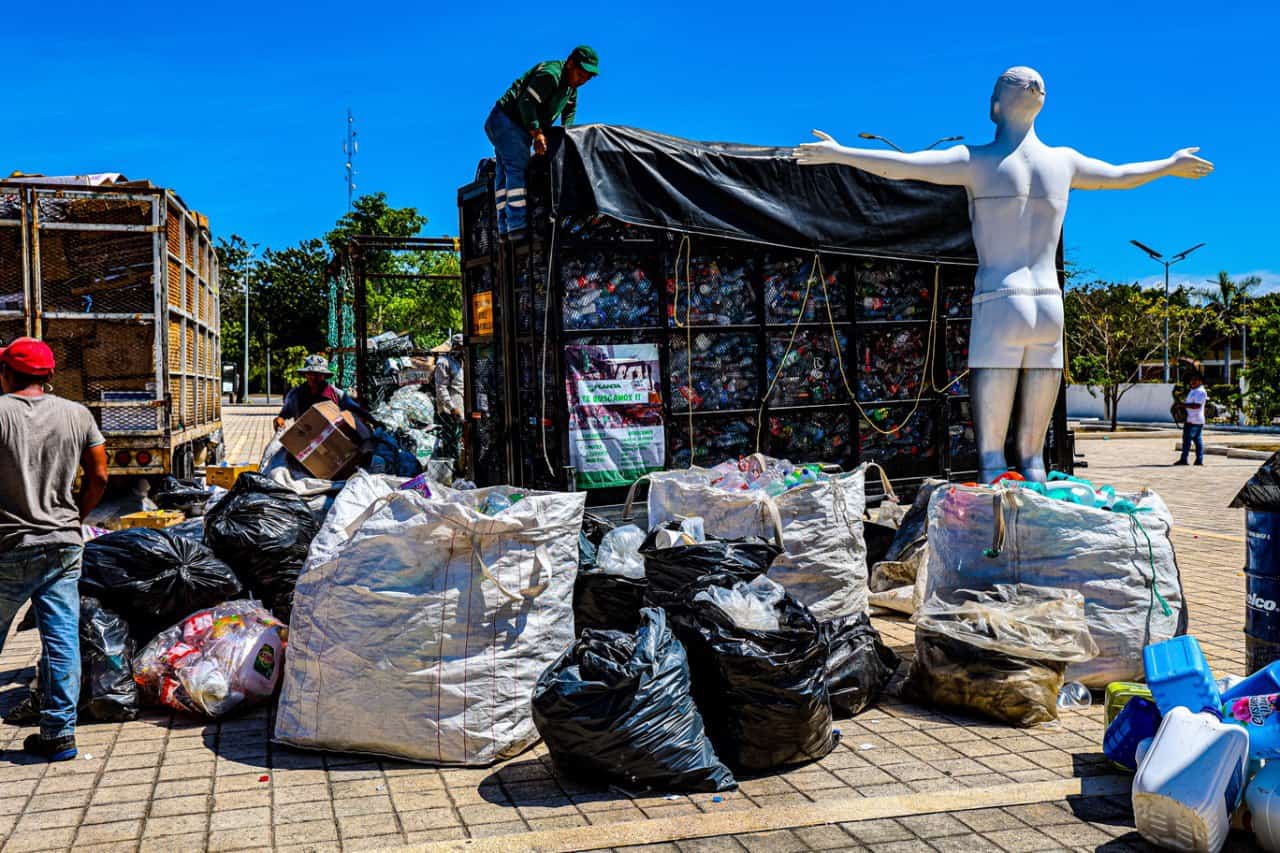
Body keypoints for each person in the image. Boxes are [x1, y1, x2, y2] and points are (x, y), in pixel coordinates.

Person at [795, 66, 1212, 483]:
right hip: (1049, 303)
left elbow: (903, 166)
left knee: (992, 461)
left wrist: (843, 153)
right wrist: (1169, 164)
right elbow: (1121, 176)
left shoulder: (976, 161)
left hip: (1001, 299)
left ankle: (994, 506)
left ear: (995, 107)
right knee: (1034, 462)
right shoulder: (1064, 162)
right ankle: (1035, 492)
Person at [0, 337, 108, 761]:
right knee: (62, 639)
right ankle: (59, 735)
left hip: (9, 545)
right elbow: (99, 474)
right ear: (48, 375)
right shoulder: (77, 414)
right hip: (64, 544)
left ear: (7, 372)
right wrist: (76, 517)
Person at [486, 45, 599, 237]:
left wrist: (567, 134)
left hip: (514, 127)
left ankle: (504, 227)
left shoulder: (571, 87)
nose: (582, 81)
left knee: (504, 172)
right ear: (570, 63)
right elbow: (527, 103)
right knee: (517, 167)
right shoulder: (551, 75)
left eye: (586, 79)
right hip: (506, 121)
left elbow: (569, 110)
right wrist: (537, 133)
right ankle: (516, 226)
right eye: (580, 75)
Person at [273, 354, 372, 432]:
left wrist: (373, 421)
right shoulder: (295, 394)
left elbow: (356, 409)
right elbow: (284, 414)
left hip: (332, 436)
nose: (314, 377)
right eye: (311, 374)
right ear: (305, 375)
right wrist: (279, 420)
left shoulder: (337, 394)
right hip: (305, 436)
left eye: (319, 374)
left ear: (324, 376)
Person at [434, 334, 465, 465]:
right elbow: (441, 388)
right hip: (450, 411)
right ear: (455, 346)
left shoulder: (462, 362)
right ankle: (453, 471)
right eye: (460, 347)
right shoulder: (444, 362)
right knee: (452, 442)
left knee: (459, 441)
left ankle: (459, 468)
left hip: (462, 408)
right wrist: (452, 408)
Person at [1175, 375, 1208, 466]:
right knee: (1197, 441)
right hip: (1192, 419)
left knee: (1187, 441)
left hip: (1194, 420)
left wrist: (1182, 405)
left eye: (1195, 380)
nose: (1192, 382)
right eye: (1191, 380)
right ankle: (1198, 460)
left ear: (1200, 381)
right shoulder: (1193, 391)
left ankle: (1184, 459)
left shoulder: (1200, 392)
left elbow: (1197, 405)